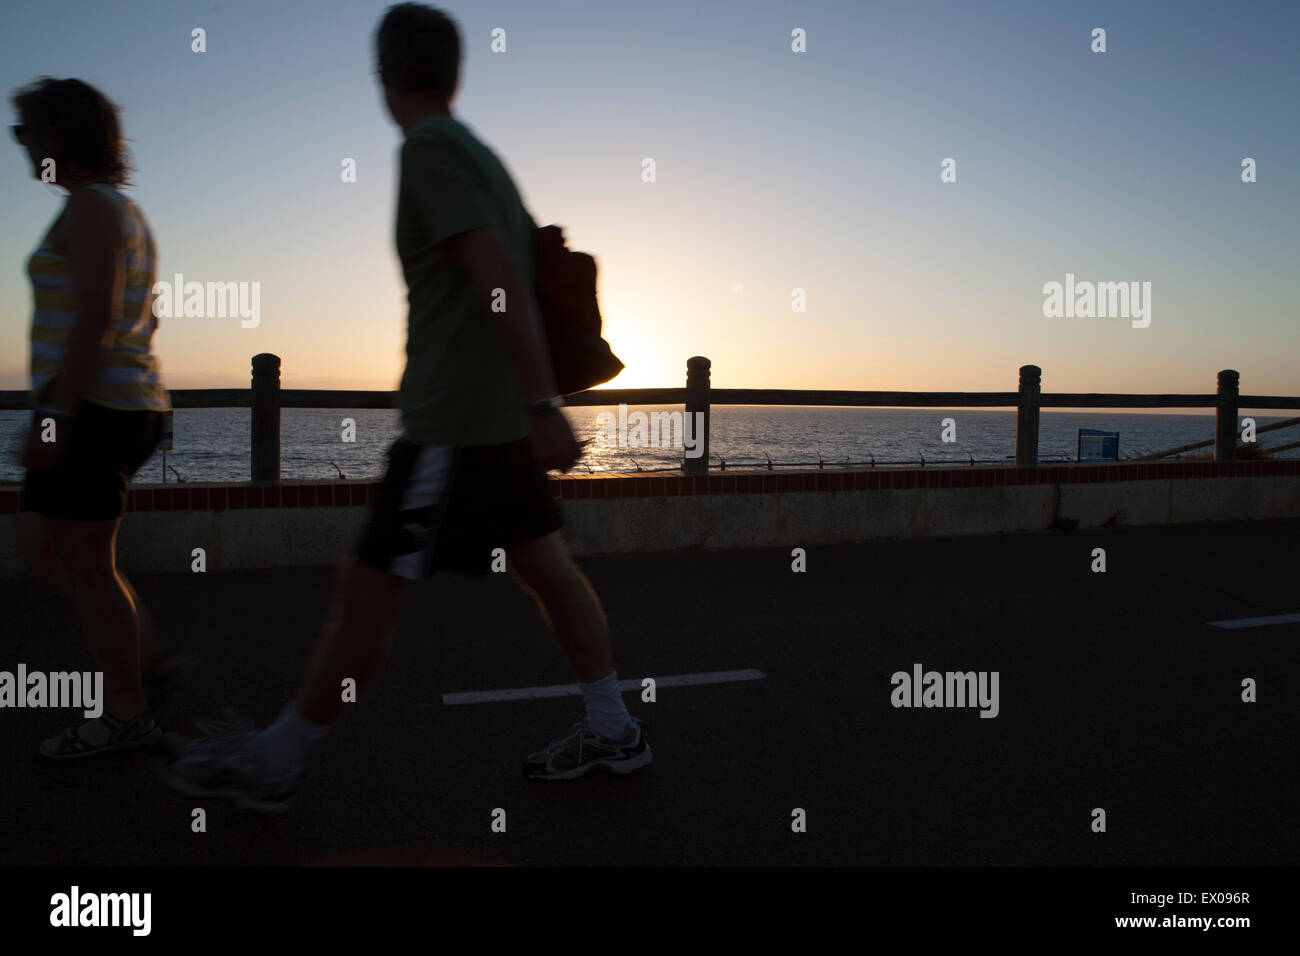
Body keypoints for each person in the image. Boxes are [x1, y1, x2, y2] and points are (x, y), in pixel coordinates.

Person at [159, 3, 650, 813]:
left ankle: (274, 762)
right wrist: (534, 405)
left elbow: (495, 276)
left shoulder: (430, 150)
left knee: (368, 584)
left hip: (453, 430)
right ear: (454, 72)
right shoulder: (483, 156)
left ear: (386, 73)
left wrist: (540, 400)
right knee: (546, 569)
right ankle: (614, 729)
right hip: (494, 425)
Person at [11, 78, 173, 758]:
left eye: (26, 133)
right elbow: (142, 315)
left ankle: (128, 711)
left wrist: (56, 415)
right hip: (120, 403)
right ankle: (142, 660)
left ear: (59, 137)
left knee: (85, 565)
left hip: (96, 408)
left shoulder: (88, 208)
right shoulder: (121, 211)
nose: (20, 145)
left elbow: (98, 315)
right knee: (58, 555)